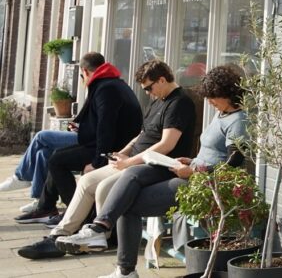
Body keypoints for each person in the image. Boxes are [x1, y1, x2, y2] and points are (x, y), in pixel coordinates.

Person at [60, 66, 248, 278]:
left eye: (213, 96)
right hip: (191, 171)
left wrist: (194, 172)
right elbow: (213, 153)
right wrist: (192, 161)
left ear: (227, 93)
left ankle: (120, 263)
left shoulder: (238, 120)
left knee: (127, 204)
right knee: (132, 176)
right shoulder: (222, 114)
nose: (210, 101)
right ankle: (101, 232)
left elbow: (233, 163)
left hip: (202, 184)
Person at [18, 59, 196, 260]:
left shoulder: (179, 102)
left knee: (103, 187)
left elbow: (166, 144)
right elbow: (142, 134)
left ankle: (102, 235)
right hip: (133, 161)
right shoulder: (158, 100)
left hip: (154, 166)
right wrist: (123, 152)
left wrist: (129, 162)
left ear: (162, 80)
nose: (148, 93)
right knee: (86, 181)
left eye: (149, 88)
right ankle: (58, 236)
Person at [10, 53, 142, 223]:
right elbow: (105, 122)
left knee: (57, 160)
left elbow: (106, 128)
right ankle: (45, 207)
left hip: (114, 151)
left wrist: (97, 162)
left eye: (81, 76)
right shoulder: (111, 83)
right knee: (53, 156)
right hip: (109, 145)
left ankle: (77, 214)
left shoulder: (106, 89)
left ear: (85, 71)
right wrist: (82, 126)